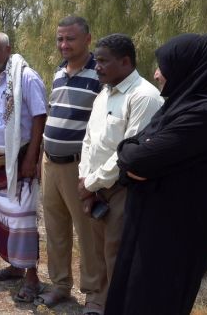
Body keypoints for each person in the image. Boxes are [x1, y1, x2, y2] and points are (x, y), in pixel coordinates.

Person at [105, 34, 207, 315]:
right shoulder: (177, 107)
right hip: (147, 226)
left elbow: (137, 156)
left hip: (175, 238)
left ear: (188, 67)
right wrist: (133, 161)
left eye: (164, 66)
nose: (156, 73)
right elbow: (129, 154)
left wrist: (134, 160)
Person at [76, 34, 163, 315]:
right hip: (95, 189)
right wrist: (85, 180)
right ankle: (99, 304)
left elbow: (127, 154)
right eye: (96, 60)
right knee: (99, 255)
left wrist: (90, 183)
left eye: (103, 61)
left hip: (122, 192)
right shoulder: (104, 93)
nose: (96, 66)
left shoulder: (144, 97)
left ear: (125, 62)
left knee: (118, 259)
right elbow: (89, 140)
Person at [35, 16, 103, 309]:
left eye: (70, 39)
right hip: (50, 163)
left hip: (79, 167)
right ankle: (61, 285)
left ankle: (95, 295)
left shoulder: (100, 74)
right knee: (55, 228)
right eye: (60, 39)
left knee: (88, 233)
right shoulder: (59, 72)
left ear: (87, 39)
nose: (63, 44)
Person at [0, 32, 47, 303]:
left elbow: (39, 116)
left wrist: (32, 158)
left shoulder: (25, 77)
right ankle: (15, 265)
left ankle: (32, 276)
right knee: (3, 215)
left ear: (8, 49)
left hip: (20, 158)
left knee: (22, 219)